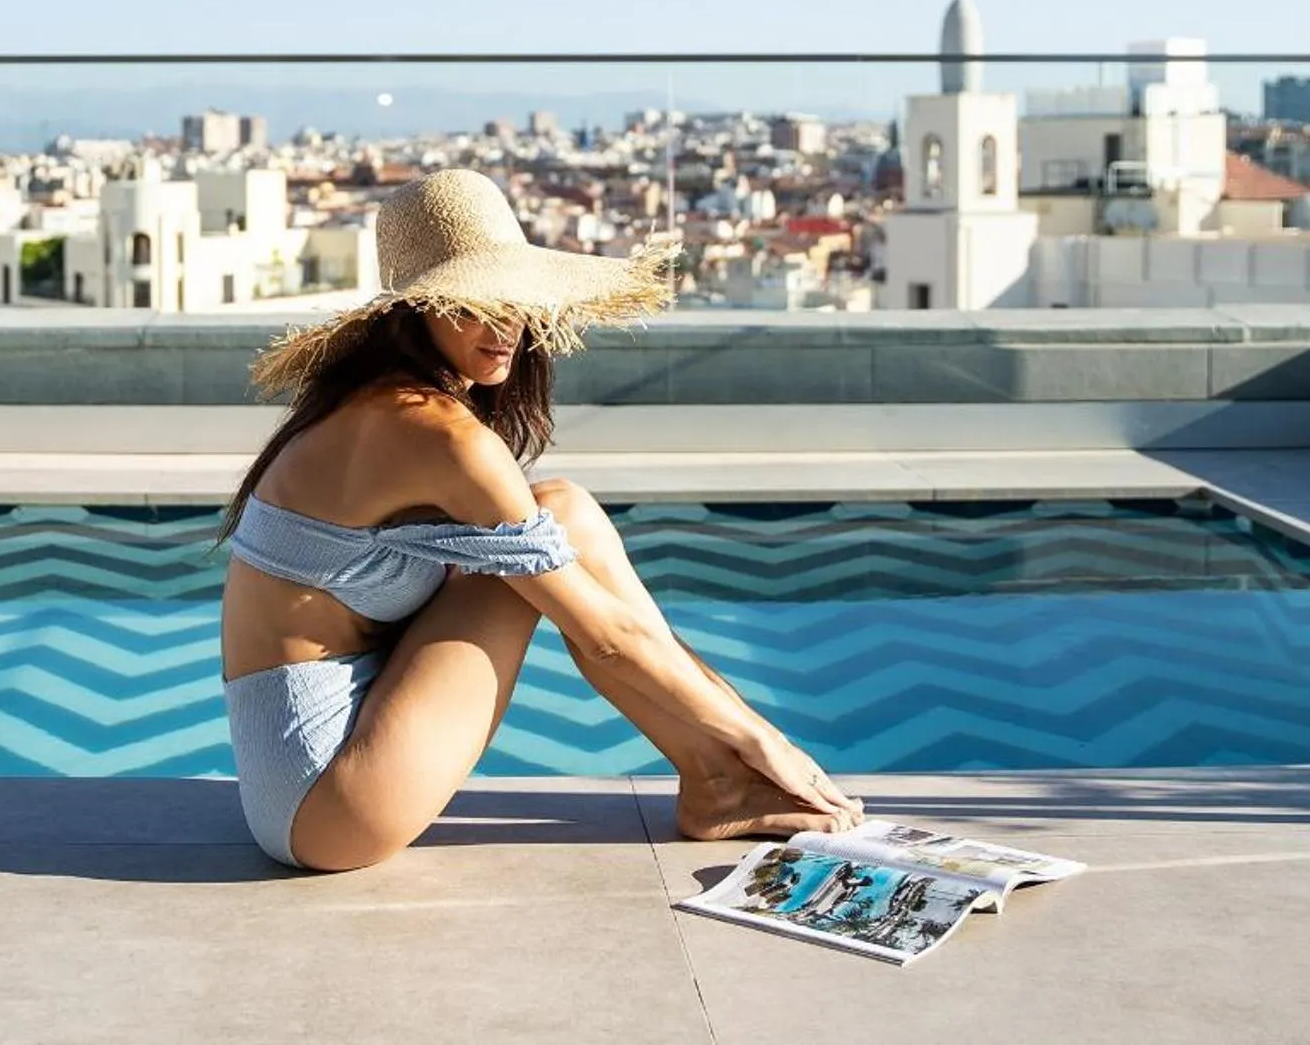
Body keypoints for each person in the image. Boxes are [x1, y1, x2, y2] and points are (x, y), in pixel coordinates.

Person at [218, 166, 864, 871]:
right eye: (473, 302)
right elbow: (607, 635)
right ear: (416, 309)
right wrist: (766, 739)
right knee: (566, 532)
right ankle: (720, 773)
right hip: (326, 805)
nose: (506, 326)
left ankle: (715, 775)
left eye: (515, 298)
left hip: (316, 770)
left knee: (561, 510)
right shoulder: (437, 436)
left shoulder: (372, 402)